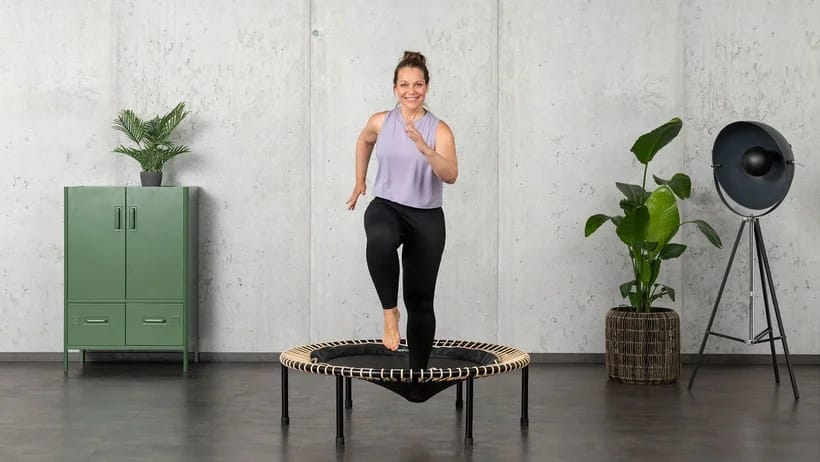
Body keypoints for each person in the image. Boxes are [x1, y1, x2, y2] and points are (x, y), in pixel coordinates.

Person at [346, 51, 458, 370]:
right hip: (387, 206)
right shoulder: (381, 121)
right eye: (404, 84)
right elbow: (364, 141)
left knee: (420, 301)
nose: (412, 91)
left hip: (426, 217)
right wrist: (359, 180)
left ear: (427, 87)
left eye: (418, 84)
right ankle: (389, 312)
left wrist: (425, 148)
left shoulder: (440, 131)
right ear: (395, 88)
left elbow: (450, 175)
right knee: (380, 240)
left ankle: (417, 375)